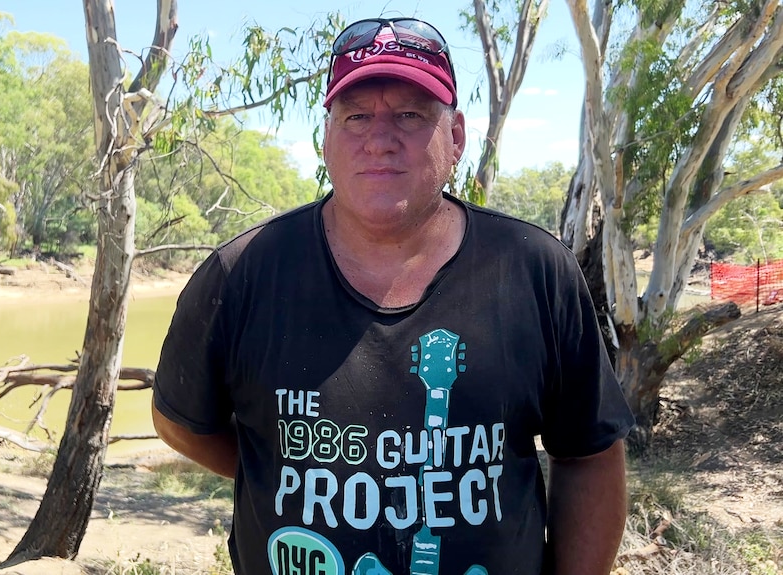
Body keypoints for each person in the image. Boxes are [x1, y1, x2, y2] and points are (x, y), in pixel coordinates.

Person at [152, 16, 635, 575]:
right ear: (327, 138)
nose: (380, 139)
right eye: (355, 117)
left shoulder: (533, 269)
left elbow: (590, 452)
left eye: (409, 114)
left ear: (454, 137)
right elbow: (180, 421)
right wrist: (272, 463)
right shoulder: (241, 275)